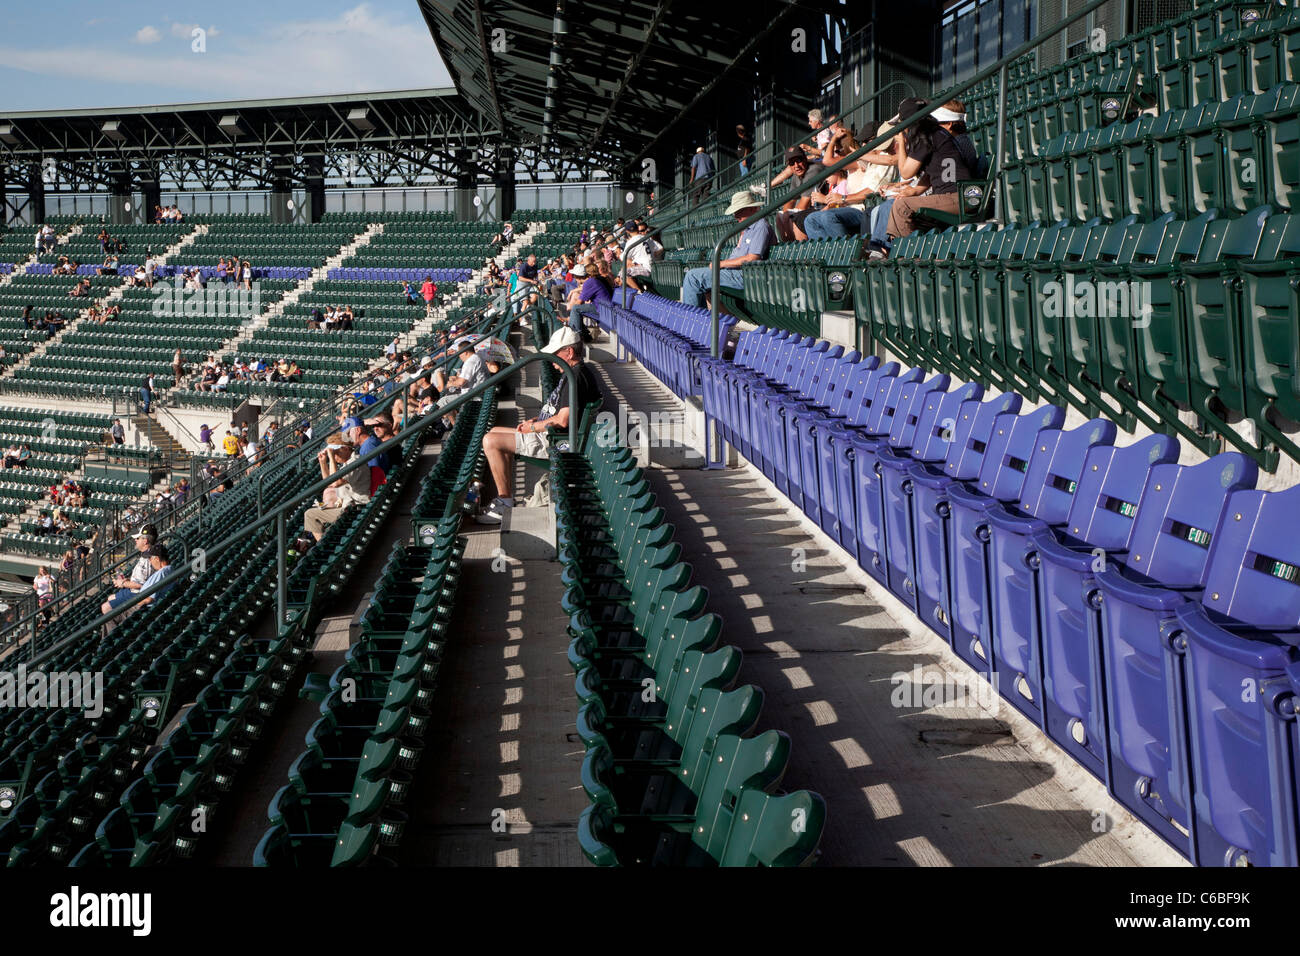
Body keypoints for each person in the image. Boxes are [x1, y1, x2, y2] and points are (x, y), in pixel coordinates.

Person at [478, 327, 600, 524]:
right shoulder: (574, 372)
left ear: (569, 352)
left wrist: (533, 428)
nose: (552, 361)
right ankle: (505, 498)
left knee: (491, 441)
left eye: (555, 354)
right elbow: (558, 412)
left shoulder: (575, 376)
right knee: (494, 430)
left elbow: (563, 420)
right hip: (555, 433)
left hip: (559, 440)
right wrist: (536, 420)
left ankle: (505, 502)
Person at [679, 190, 775, 308]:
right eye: (735, 212)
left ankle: (692, 321)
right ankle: (709, 320)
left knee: (693, 277)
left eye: (739, 211)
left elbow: (752, 258)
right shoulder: (748, 227)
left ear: (752, 209)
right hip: (734, 273)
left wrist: (721, 264)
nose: (735, 216)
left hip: (745, 275)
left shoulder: (760, 226)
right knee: (698, 279)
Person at [304, 443, 369, 540]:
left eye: (336, 452)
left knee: (310, 514)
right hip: (350, 506)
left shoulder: (354, 462)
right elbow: (330, 483)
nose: (335, 455)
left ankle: (322, 547)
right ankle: (322, 544)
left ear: (346, 448)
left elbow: (335, 483)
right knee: (313, 512)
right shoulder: (349, 463)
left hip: (355, 508)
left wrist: (331, 458)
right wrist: (323, 463)